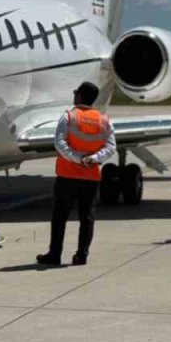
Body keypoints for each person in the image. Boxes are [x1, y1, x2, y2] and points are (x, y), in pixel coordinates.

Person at [37, 81, 116, 267]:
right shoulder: (103, 119)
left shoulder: (69, 117)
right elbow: (111, 146)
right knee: (87, 218)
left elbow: (60, 143)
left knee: (60, 217)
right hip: (91, 177)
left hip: (67, 175)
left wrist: (77, 158)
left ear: (79, 96)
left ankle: (54, 255)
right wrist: (93, 158)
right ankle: (82, 255)